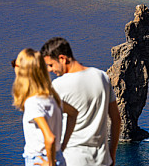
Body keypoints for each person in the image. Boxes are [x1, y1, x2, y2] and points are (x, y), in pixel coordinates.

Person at [40, 37, 121, 166]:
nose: (50, 70)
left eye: (51, 65)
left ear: (62, 58)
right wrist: (111, 155)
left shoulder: (58, 86)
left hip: (72, 159)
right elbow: (116, 119)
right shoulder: (102, 77)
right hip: (102, 159)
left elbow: (49, 129)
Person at [12, 48, 67, 166]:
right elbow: (73, 113)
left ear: (23, 71)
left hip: (40, 159)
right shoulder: (53, 98)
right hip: (58, 156)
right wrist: (62, 147)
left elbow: (50, 138)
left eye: (15, 65)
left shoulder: (32, 102)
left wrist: (50, 164)